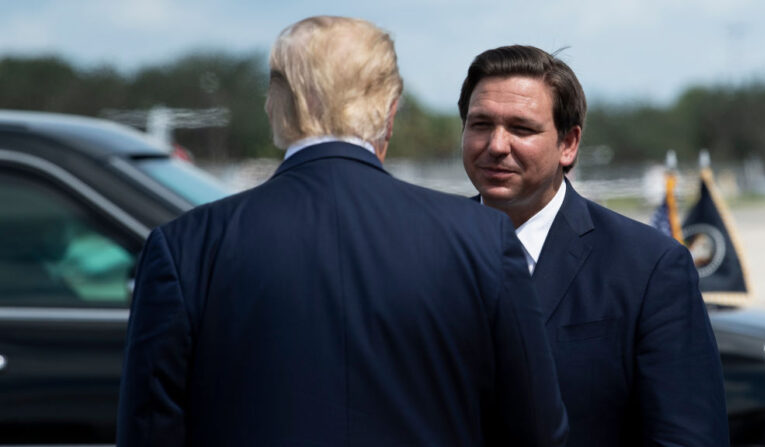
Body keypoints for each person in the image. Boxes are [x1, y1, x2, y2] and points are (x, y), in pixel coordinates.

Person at [117, 18, 567, 446]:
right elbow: (537, 430)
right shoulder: (481, 238)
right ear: (390, 113)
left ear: (276, 105)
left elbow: (151, 431)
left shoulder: (184, 247)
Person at [459, 45, 729, 446]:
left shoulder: (649, 268)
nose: (497, 145)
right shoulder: (417, 253)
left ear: (569, 144)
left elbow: (687, 436)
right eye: (481, 124)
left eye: (522, 128)